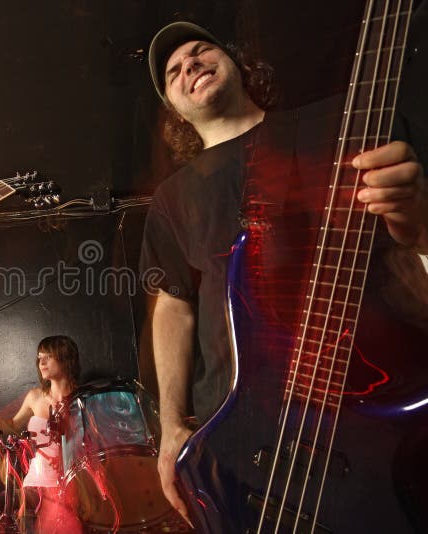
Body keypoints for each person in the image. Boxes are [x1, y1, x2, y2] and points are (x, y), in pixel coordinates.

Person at [139, 20, 427, 524]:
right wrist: (170, 428)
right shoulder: (171, 198)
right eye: (173, 71)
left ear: (238, 64)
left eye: (202, 50)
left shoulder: (342, 120)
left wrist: (423, 226)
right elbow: (173, 303)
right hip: (241, 447)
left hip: (378, 426)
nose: (190, 66)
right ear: (173, 110)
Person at [0, 335, 83, 534]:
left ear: (66, 358)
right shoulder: (35, 397)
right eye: (39, 358)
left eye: (48, 356)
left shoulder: (81, 400)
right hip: (35, 485)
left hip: (70, 487)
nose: (41, 362)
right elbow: (12, 424)